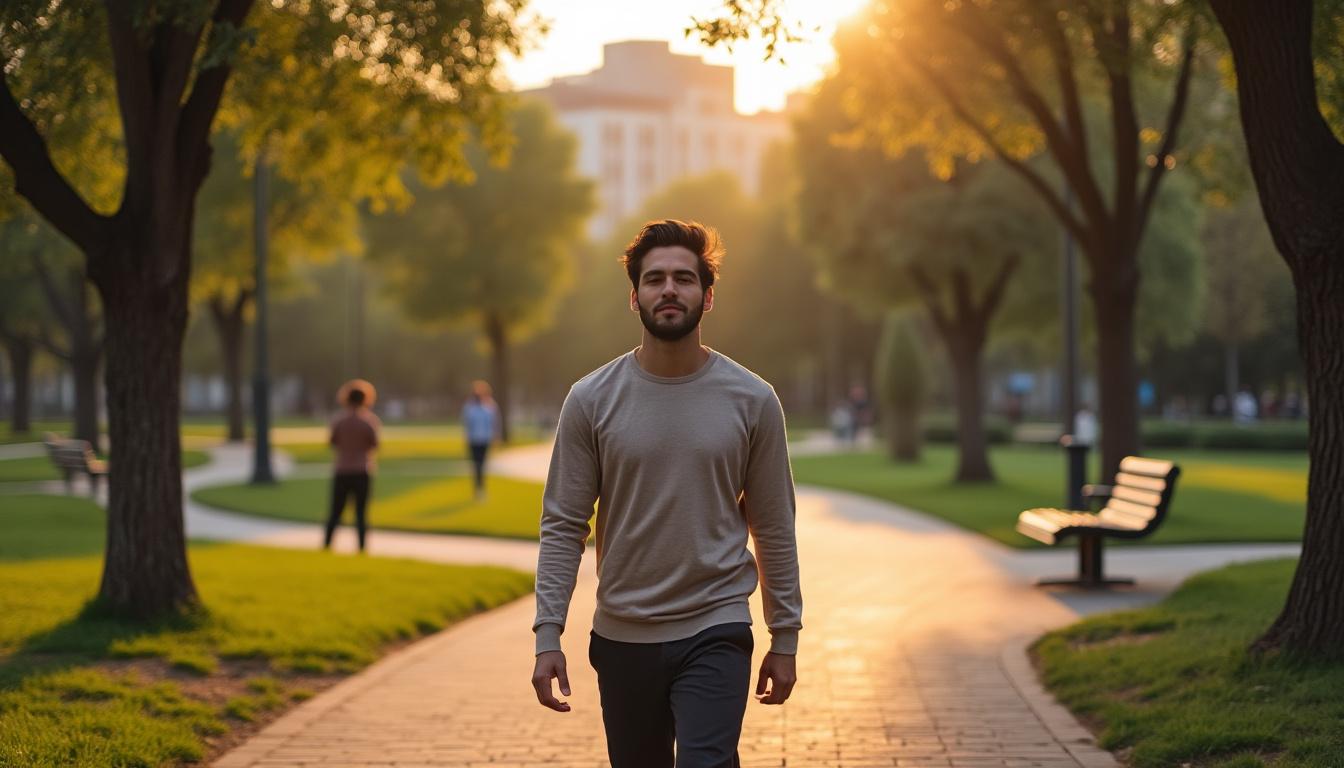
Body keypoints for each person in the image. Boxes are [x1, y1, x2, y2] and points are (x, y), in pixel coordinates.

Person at [530, 219, 803, 768]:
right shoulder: (590, 400)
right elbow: (564, 524)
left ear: (708, 295)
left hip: (716, 624)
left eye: (684, 277)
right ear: (635, 297)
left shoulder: (752, 399)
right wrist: (547, 634)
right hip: (623, 631)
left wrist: (785, 634)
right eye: (654, 279)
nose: (669, 289)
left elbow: (773, 524)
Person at [324, 379, 381, 552]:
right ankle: (362, 547)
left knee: (335, 511)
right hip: (362, 470)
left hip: (342, 470)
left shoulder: (339, 421)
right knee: (361, 513)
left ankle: (327, 545)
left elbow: (333, 442)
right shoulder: (369, 422)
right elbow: (375, 444)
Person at [461, 379, 499, 500]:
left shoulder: (490, 406)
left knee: (482, 465)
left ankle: (481, 488)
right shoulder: (469, 407)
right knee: (476, 465)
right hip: (474, 440)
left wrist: (495, 438)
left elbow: (494, 423)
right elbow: (466, 423)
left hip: (485, 439)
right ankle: (477, 488)